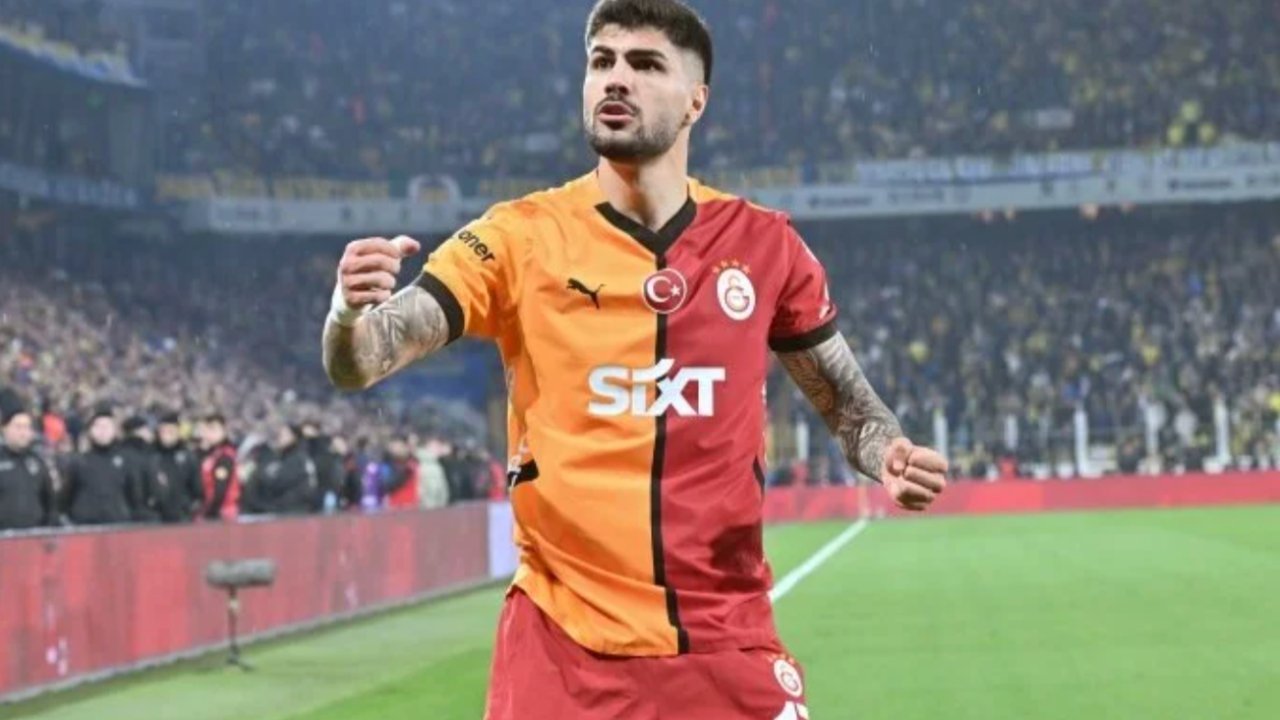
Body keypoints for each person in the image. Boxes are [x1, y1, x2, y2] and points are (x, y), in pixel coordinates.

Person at [321, 1, 950, 716]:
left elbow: (848, 407)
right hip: (561, 651)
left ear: (695, 101)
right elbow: (362, 360)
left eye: (646, 64)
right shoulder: (517, 237)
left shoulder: (765, 244)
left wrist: (888, 451)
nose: (616, 79)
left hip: (726, 642)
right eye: (602, 62)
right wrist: (348, 310)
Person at [62, 409, 134, 526]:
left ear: (114, 430)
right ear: (90, 431)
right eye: (98, 426)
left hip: (118, 525)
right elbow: (66, 496)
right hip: (85, 526)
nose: (103, 431)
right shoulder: (79, 462)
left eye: (107, 426)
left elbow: (134, 495)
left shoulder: (126, 461)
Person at [0, 389, 56, 532]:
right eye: (18, 427)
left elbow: (49, 501)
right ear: (4, 429)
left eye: (27, 427)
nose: (23, 432)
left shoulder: (38, 462)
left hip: (34, 538)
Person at [153, 412, 204, 522]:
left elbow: (197, 488)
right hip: (157, 516)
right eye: (163, 432)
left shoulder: (188, 457)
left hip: (183, 515)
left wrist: (189, 507)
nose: (166, 436)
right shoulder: (152, 456)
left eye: (170, 431)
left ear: (177, 432)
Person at [197, 414, 240, 521]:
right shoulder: (209, 454)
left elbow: (220, 488)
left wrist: (208, 513)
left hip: (223, 512)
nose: (210, 434)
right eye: (208, 429)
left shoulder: (225, 456)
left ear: (223, 431)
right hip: (210, 508)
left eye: (214, 429)